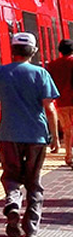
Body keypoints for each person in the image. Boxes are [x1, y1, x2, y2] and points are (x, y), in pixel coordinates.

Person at [0, 32, 61, 237]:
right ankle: (31, 228)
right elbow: (50, 108)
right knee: (34, 181)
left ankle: (12, 202)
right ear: (33, 52)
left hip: (8, 134)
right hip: (36, 135)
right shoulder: (40, 73)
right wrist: (55, 137)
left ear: (12, 51)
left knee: (11, 176)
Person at [45, 39, 73, 167]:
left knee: (67, 130)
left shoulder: (52, 65)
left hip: (61, 103)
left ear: (60, 51)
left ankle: (69, 156)